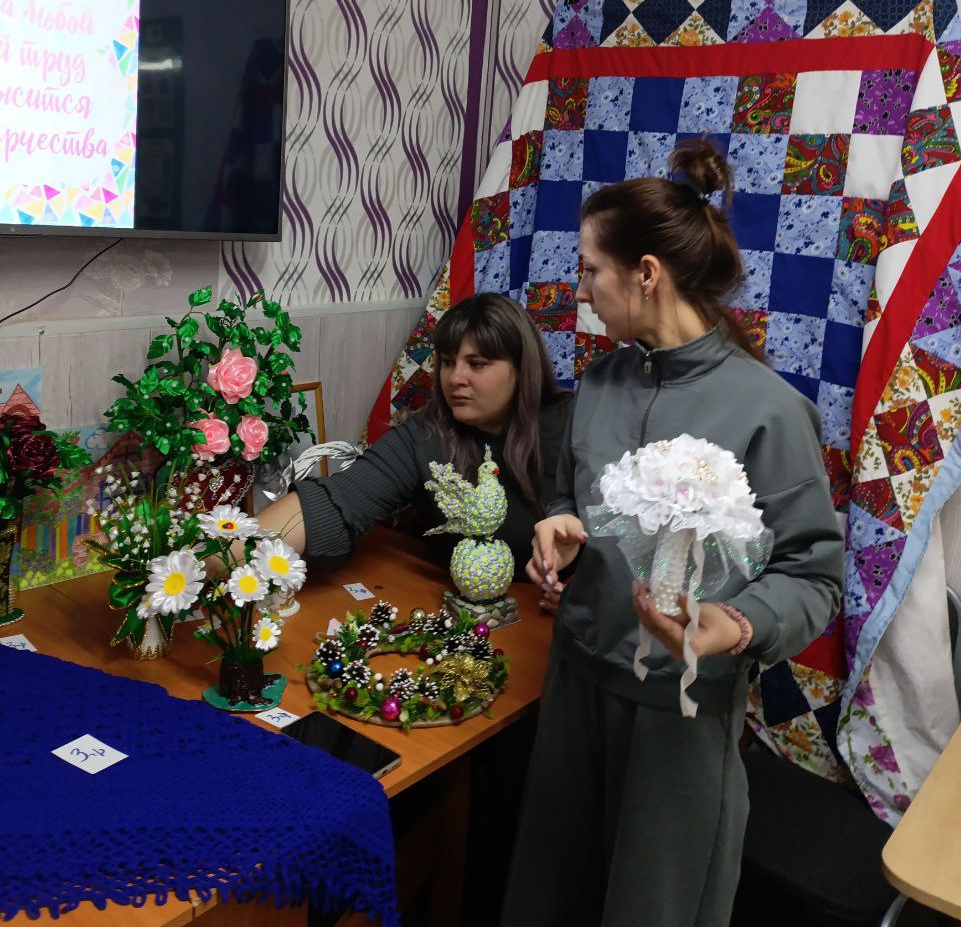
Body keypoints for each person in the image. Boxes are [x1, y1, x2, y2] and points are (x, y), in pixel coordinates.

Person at [500, 139, 844, 927]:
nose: (578, 288)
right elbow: (568, 496)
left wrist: (737, 623)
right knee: (548, 898)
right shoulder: (598, 383)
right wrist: (558, 527)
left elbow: (813, 576)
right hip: (573, 686)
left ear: (645, 273)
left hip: (679, 716)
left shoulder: (768, 411)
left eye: (590, 269)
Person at [257, 293, 571, 578]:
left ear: (522, 369)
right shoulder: (425, 435)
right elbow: (333, 504)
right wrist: (233, 553)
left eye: (477, 364)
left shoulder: (575, 425)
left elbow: (601, 526)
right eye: (448, 362)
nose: (456, 378)